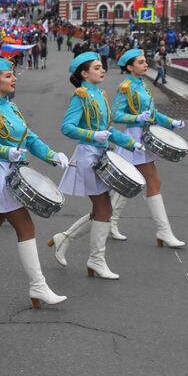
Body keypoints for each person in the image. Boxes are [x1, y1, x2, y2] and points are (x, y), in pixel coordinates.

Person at [0, 57, 69, 308]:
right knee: (25, 227)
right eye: (8, 76)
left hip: (12, 172)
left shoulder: (11, 107)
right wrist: (5, 151)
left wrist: (52, 156)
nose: (14, 78)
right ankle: (38, 286)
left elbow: (30, 138)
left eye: (13, 75)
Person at [49, 52, 145, 280]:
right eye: (97, 67)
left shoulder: (100, 95)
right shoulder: (80, 96)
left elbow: (108, 131)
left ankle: (66, 239)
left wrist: (132, 144)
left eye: (101, 67)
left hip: (101, 155)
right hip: (88, 157)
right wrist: (92, 134)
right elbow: (67, 127)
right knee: (105, 209)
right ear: (84, 73)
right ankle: (95, 259)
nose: (102, 70)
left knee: (102, 209)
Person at [108, 49, 186, 247]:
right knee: (152, 182)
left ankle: (109, 221)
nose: (145, 65)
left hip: (145, 137)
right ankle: (163, 232)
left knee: (127, 186)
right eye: (141, 62)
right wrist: (136, 118)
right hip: (134, 140)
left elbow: (152, 113)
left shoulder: (142, 85)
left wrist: (171, 123)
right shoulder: (126, 87)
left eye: (145, 61)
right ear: (130, 66)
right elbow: (116, 115)